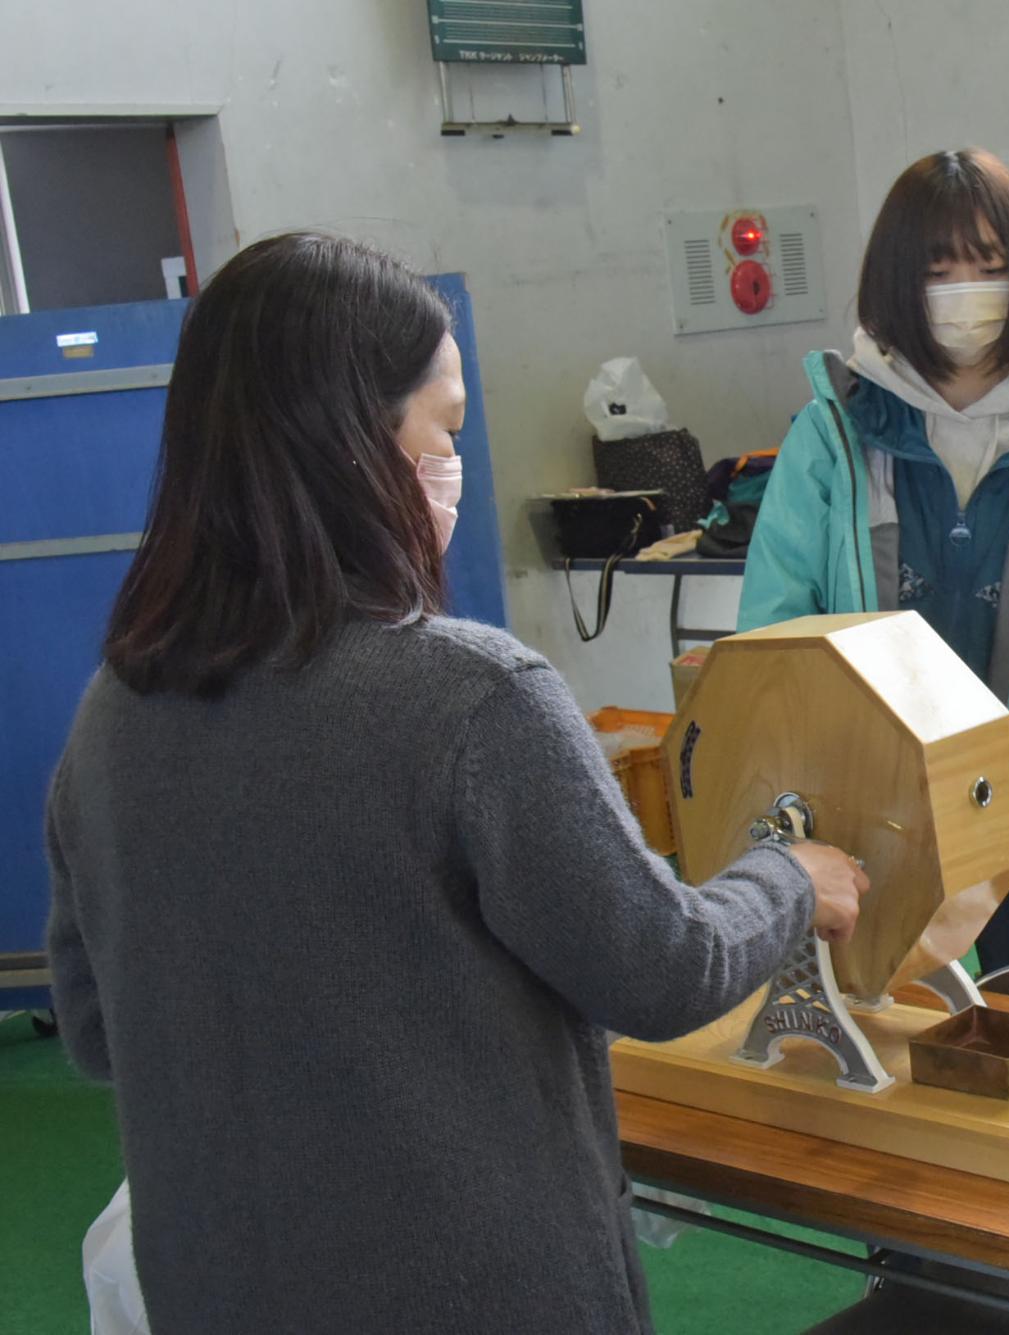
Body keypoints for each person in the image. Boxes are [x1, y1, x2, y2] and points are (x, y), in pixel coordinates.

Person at [44, 231, 870, 1335]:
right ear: (352, 443)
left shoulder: (115, 715)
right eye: (446, 428)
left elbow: (98, 1033)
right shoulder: (472, 699)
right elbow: (659, 969)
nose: (453, 464)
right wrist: (786, 876)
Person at [740, 148, 1009, 972]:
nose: (967, 291)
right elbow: (775, 645)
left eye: (989, 267)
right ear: (899, 282)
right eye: (940, 269)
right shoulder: (832, 437)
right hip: (865, 834)